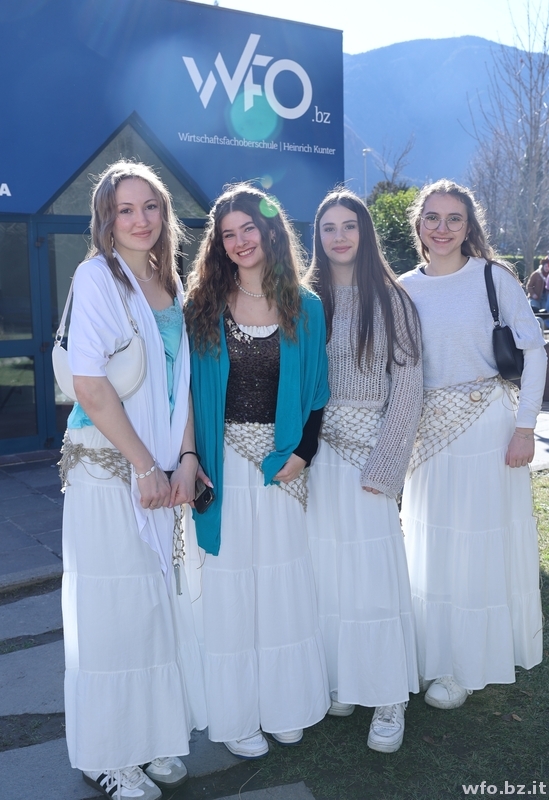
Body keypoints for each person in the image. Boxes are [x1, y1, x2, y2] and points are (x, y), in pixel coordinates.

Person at [60, 161, 207, 800]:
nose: (140, 219)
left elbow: (182, 381)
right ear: (107, 219)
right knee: (111, 614)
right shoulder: (96, 277)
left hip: (159, 467)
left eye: (151, 206)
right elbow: (89, 385)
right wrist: (145, 465)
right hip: (106, 466)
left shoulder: (167, 279)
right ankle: (108, 757)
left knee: (150, 612)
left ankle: (145, 739)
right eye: (126, 209)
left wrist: (187, 457)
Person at [184, 183, 330, 759]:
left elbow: (317, 392)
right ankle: (238, 715)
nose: (240, 241)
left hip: (281, 465)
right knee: (230, 587)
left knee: (282, 583)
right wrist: (191, 460)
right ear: (218, 245)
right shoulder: (203, 307)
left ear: (270, 231)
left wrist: (303, 453)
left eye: (249, 228)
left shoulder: (305, 306)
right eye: (228, 234)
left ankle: (285, 704)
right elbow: (186, 395)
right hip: (221, 464)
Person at [400, 179, 546, 711]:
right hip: (428, 435)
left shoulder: (493, 277)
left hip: (488, 427)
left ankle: (466, 662)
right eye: (432, 218)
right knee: (433, 544)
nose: (442, 228)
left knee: (477, 541)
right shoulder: (403, 287)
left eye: (454, 218)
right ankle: (432, 651)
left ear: (469, 226)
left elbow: (535, 350)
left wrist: (525, 428)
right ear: (418, 225)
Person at [305, 189, 422, 753]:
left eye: (349, 225)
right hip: (316, 457)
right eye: (329, 227)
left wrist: (386, 464)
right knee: (326, 570)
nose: (339, 237)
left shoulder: (393, 300)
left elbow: (409, 387)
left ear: (365, 233)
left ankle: (388, 695)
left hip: (370, 454)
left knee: (373, 574)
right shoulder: (304, 298)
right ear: (317, 237)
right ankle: (344, 678)